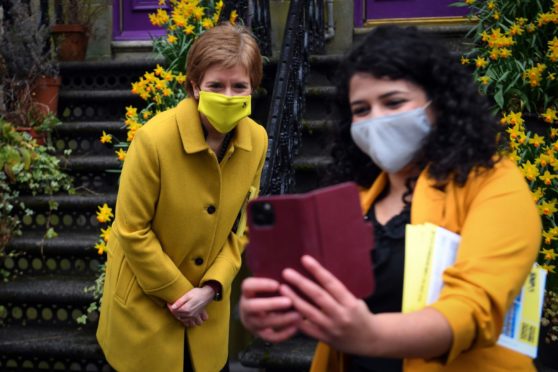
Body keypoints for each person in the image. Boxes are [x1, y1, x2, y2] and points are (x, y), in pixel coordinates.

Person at [239, 25, 541, 371]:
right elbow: (324, 298)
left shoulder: (492, 183)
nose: (377, 119)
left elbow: (474, 308)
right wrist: (275, 310)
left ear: (439, 103)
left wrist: (369, 334)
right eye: (361, 109)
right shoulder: (357, 198)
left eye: (394, 102)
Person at [97, 23, 268, 372]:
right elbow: (132, 230)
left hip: (208, 313)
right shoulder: (154, 139)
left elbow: (243, 226)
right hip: (146, 311)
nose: (229, 96)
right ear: (194, 86)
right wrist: (179, 293)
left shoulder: (257, 139)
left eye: (240, 86)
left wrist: (212, 287)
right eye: (216, 86)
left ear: (253, 88)